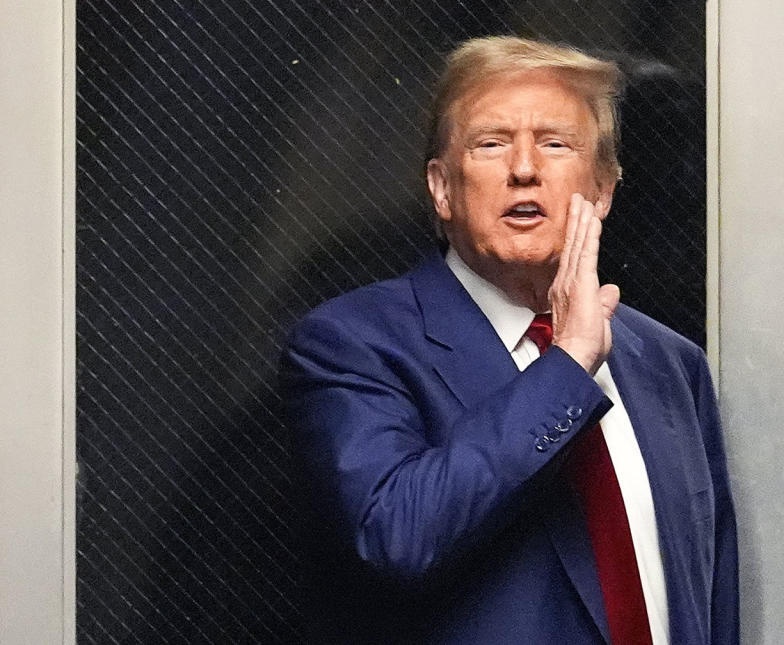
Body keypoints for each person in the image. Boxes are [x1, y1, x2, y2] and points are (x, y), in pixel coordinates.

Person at [280, 36, 737, 644]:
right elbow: (398, 534)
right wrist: (569, 363)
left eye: (555, 143)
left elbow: (712, 591)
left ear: (602, 188)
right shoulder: (352, 343)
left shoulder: (672, 363)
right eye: (491, 144)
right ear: (442, 188)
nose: (525, 168)